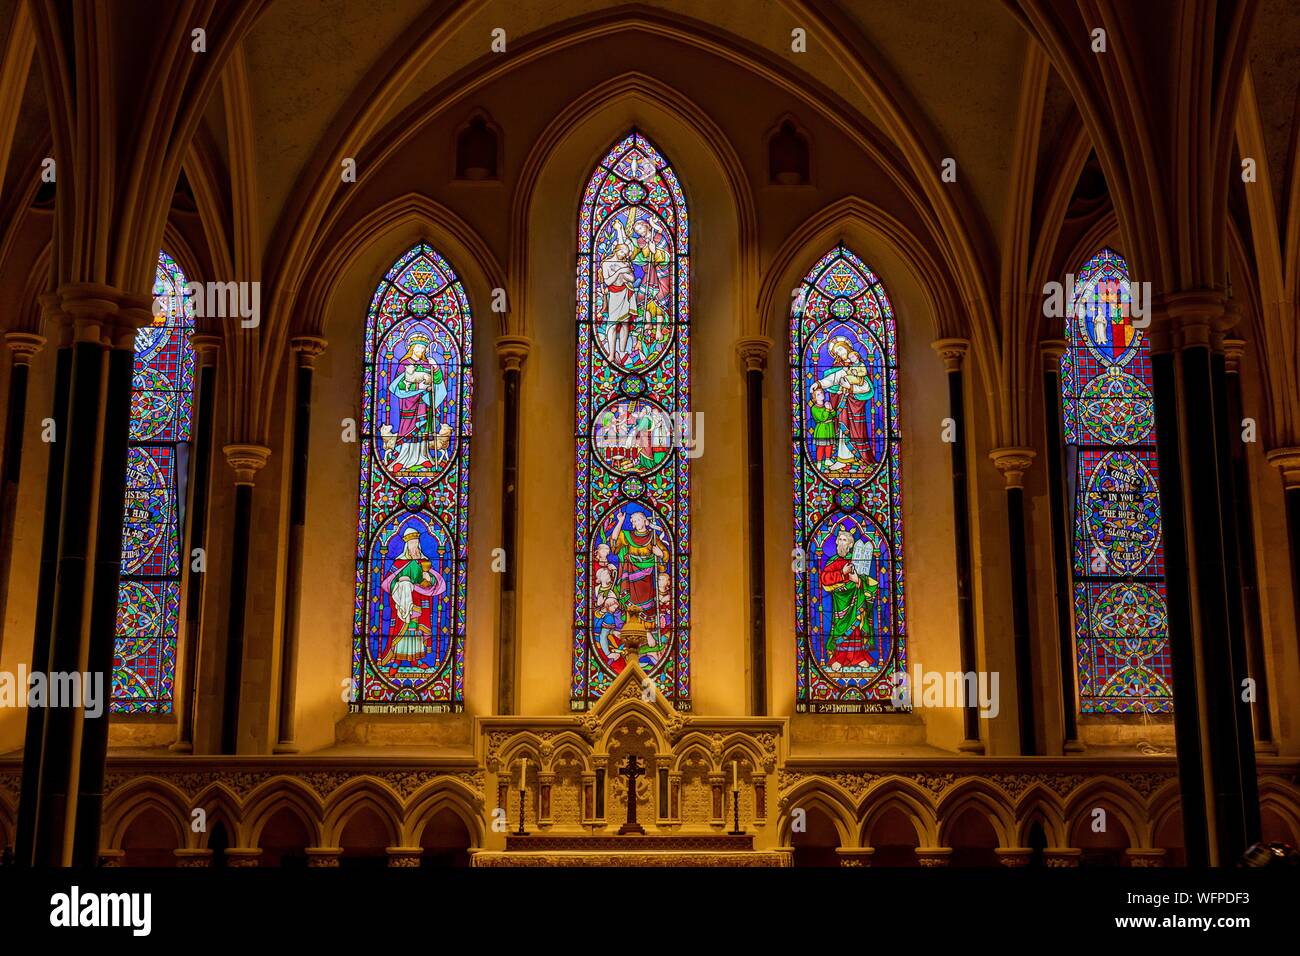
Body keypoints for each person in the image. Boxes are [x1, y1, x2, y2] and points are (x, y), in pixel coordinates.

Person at [378, 527, 446, 676]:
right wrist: (402, 583)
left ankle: (416, 659)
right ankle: (396, 661)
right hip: (403, 602)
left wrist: (429, 578)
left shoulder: (424, 562)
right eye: (412, 543)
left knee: (415, 630)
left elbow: (434, 580)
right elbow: (389, 582)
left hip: (420, 601)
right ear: (407, 545)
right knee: (403, 629)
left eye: (416, 543)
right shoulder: (399, 563)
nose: (414, 546)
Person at [819, 527, 877, 671]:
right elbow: (825, 579)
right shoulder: (832, 561)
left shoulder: (855, 560)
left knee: (856, 627)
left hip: (855, 599)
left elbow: (868, 581)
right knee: (840, 628)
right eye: (839, 540)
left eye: (845, 540)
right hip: (840, 602)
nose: (841, 543)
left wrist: (858, 581)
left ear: (851, 545)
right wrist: (842, 572)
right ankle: (838, 658)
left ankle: (859, 657)